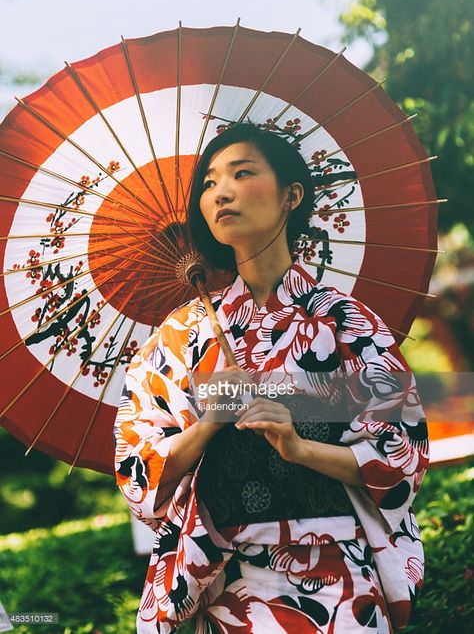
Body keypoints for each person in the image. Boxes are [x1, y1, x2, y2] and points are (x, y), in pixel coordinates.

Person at [114, 123, 429, 633]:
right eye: (210, 183)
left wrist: (300, 448)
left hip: (339, 572)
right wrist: (209, 423)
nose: (221, 192)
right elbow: (137, 468)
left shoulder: (347, 322)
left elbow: (403, 454)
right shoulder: (179, 336)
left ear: (292, 195)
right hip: (225, 576)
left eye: (242, 173)